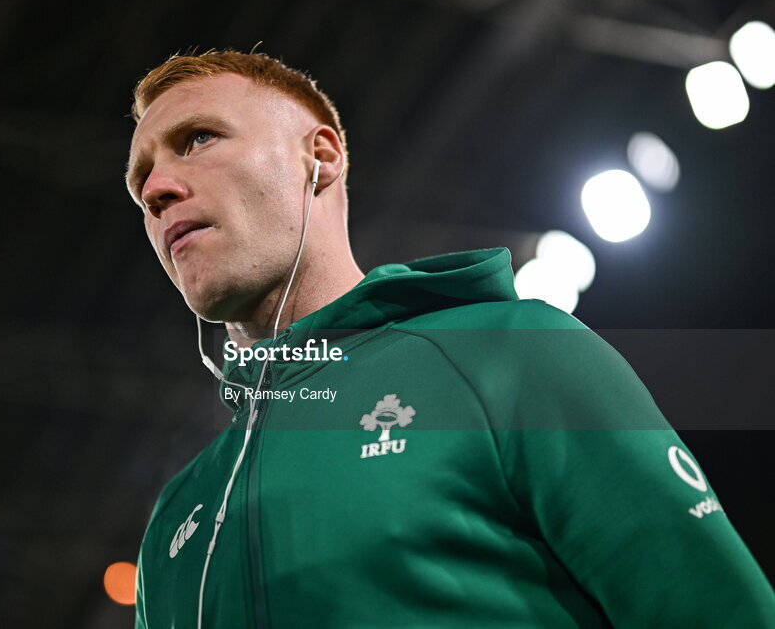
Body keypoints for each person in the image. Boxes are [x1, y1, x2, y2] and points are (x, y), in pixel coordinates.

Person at [124, 49, 775, 628]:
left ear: (318, 158)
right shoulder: (178, 512)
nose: (155, 190)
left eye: (198, 139)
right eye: (140, 179)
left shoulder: (507, 354)